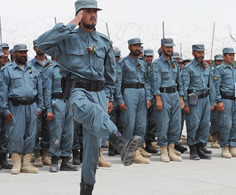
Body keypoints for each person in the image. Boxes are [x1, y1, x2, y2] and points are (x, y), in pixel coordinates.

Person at [36, 1, 141, 194]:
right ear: (80, 13)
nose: (93, 15)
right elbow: (41, 43)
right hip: (77, 90)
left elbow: (111, 73)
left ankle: (86, 189)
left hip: (99, 92)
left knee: (93, 148)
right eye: (89, 12)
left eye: (95, 12)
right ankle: (119, 142)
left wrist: (108, 97)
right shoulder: (67, 38)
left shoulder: (103, 41)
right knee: (89, 110)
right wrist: (71, 24)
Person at [1, 44, 44, 174]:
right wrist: (5, 110)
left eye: (25, 52)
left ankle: (26, 163)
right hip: (15, 107)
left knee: (31, 134)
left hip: (32, 106)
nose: (23, 55)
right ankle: (16, 163)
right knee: (16, 134)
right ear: (14, 54)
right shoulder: (7, 70)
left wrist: (40, 107)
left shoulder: (33, 70)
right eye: (20, 52)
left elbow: (39, 90)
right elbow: (2, 92)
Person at [116, 38, 152, 164]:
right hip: (129, 92)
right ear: (129, 47)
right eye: (135, 46)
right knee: (129, 123)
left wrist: (149, 97)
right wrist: (120, 99)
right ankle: (127, 151)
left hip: (142, 92)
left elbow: (147, 80)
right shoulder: (123, 62)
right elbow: (117, 82)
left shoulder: (143, 63)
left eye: (139, 46)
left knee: (141, 124)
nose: (138, 48)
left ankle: (138, 149)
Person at [151, 38, 185, 162]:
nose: (169, 49)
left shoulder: (174, 64)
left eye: (171, 47)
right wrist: (158, 99)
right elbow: (155, 83)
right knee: (163, 123)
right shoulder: (157, 63)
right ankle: (163, 150)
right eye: (167, 47)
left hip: (175, 94)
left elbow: (180, 81)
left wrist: (181, 97)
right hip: (163, 95)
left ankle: (171, 148)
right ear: (162, 47)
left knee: (176, 123)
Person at [43, 59, 79, 172]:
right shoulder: (51, 69)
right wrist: (49, 109)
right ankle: (54, 160)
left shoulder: (70, 68)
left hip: (69, 103)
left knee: (69, 133)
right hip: (56, 102)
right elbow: (47, 90)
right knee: (56, 132)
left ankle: (65, 161)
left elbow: (75, 88)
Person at [182, 44, 216, 160]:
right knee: (193, 124)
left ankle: (201, 147)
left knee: (205, 124)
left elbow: (211, 85)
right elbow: (184, 87)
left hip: (205, 98)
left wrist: (212, 102)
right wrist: (185, 104)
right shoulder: (188, 68)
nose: (201, 55)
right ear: (193, 53)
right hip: (194, 100)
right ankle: (193, 149)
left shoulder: (206, 67)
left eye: (202, 52)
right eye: (198, 52)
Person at [213, 47, 236, 159]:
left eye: (233, 55)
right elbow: (216, 87)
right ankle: (225, 147)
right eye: (230, 55)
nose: (232, 57)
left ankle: (233, 146)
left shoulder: (235, 69)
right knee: (226, 124)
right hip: (225, 100)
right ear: (224, 56)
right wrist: (218, 101)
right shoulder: (219, 69)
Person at [29, 39, 52, 167]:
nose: (40, 48)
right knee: (36, 129)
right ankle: (36, 155)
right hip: (36, 101)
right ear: (34, 49)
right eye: (38, 46)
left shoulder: (51, 64)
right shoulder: (30, 65)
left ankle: (46, 154)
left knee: (47, 128)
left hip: (50, 100)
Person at [143, 49, 159, 154]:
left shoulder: (154, 67)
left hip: (153, 97)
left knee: (152, 121)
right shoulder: (142, 67)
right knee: (143, 122)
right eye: (147, 56)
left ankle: (149, 142)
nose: (149, 58)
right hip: (143, 98)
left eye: (150, 56)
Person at [0, 48, 13, 170]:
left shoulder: (5, 71)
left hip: (4, 106)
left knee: (5, 133)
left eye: (0, 58)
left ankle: (3, 159)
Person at [210, 54, 223, 148]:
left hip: (225, 98)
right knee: (215, 120)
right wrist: (213, 100)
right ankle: (214, 138)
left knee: (224, 120)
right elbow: (212, 87)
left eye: (221, 61)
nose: (219, 63)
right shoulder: (212, 72)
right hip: (215, 98)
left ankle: (221, 139)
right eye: (218, 61)